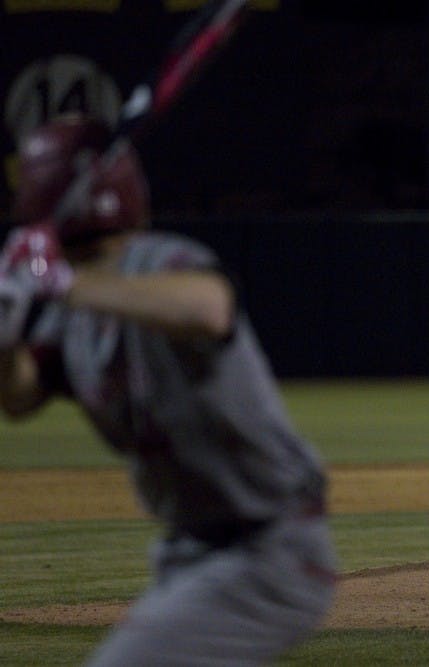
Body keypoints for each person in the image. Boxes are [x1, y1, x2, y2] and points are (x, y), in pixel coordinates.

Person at [0, 113, 337, 664]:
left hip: (268, 548)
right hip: (190, 552)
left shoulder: (159, 261)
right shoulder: (73, 314)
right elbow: (18, 398)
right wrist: (6, 336)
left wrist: (63, 282)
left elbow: (210, 306)